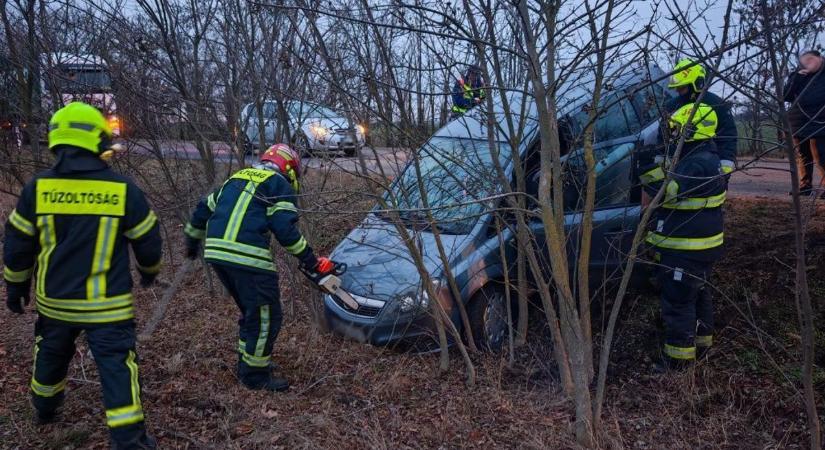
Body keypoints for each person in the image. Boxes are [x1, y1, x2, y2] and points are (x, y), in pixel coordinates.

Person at [3, 102, 162, 449]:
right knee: (117, 367)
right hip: (108, 307)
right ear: (98, 140)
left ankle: (44, 408)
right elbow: (148, 239)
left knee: (50, 353)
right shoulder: (122, 189)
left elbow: (17, 244)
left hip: (55, 303)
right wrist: (149, 272)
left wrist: (15, 287)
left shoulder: (37, 189)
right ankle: (128, 440)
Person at [184, 143, 338, 392]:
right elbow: (285, 230)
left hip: (216, 253)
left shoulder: (235, 178)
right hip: (248, 256)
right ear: (289, 168)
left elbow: (202, 209)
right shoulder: (279, 184)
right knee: (268, 316)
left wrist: (192, 241)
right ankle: (255, 376)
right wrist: (310, 261)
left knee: (252, 312)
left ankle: (247, 364)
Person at [639, 103, 726, 371]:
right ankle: (702, 344)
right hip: (699, 248)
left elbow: (668, 190)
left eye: (677, 129)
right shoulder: (705, 157)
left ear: (692, 131)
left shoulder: (698, 164)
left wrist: (645, 167)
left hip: (686, 249)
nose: (673, 133)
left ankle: (678, 362)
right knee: (697, 294)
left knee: (678, 303)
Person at [665, 59, 738, 175]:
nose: (678, 91)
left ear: (696, 84)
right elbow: (663, 135)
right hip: (678, 165)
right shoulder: (672, 106)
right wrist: (662, 158)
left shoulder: (716, 104)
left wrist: (726, 160)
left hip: (711, 164)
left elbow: (728, 135)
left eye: (682, 87)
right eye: (676, 88)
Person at [783, 49, 825, 196]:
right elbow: (786, 96)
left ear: (820, 58)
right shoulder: (798, 76)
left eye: (811, 60)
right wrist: (796, 79)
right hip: (799, 121)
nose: (808, 64)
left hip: (820, 122)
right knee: (802, 155)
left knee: (821, 155)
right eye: (805, 61)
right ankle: (805, 186)